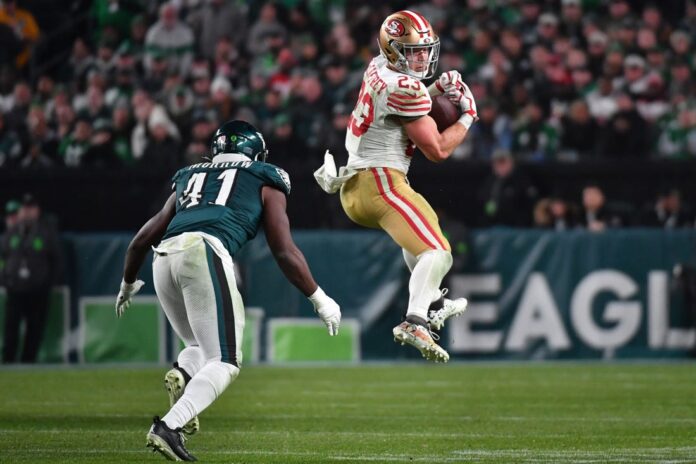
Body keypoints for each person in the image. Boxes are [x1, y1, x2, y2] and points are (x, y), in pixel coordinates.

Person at [115, 120, 341, 461]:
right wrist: (319, 298)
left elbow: (142, 239)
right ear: (256, 153)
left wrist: (128, 282)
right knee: (226, 360)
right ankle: (169, 426)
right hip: (204, 251)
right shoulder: (265, 176)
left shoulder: (190, 175)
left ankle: (184, 372)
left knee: (198, 347)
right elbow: (283, 250)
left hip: (163, 258)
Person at [314, 10, 475, 363]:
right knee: (439, 252)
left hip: (356, 187)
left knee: (424, 235)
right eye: (413, 51)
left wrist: (436, 89)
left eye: (424, 50)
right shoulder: (405, 87)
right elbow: (437, 150)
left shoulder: (378, 67)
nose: (421, 58)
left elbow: (401, 108)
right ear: (393, 50)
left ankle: (432, 301)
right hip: (380, 183)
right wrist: (468, 116)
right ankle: (415, 320)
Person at [1, 194, 61, 363]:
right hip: (15, 289)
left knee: (34, 328)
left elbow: (56, 260)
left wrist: (48, 283)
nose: (27, 212)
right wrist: (5, 280)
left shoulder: (46, 232)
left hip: (38, 291)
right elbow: (3, 257)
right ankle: (8, 361)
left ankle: (29, 362)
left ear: (37, 211)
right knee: (11, 327)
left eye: (31, 208)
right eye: (25, 208)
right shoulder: (12, 232)